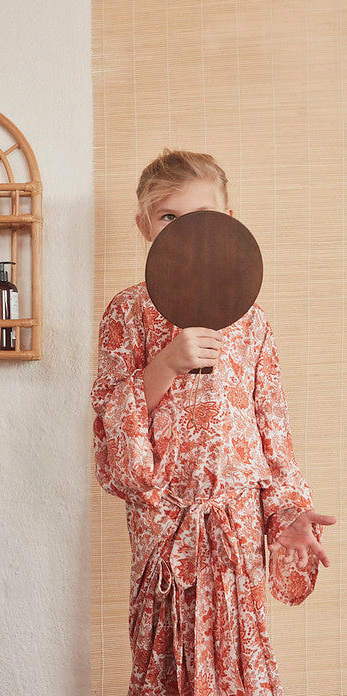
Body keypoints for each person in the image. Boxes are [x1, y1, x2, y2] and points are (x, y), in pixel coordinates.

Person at [91, 150, 336, 696]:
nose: (184, 232)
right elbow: (111, 422)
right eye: (168, 218)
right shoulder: (127, 312)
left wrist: (289, 514)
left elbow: (273, 432)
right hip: (164, 530)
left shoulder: (252, 322)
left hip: (236, 528)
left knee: (237, 670)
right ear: (143, 227)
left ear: (228, 223)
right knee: (165, 662)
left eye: (201, 216)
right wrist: (165, 365)